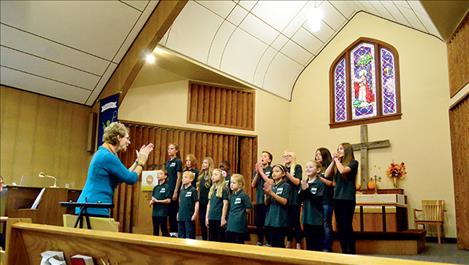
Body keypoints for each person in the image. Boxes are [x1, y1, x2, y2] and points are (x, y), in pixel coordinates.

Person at [76, 122, 154, 216]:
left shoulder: (104, 153)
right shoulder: (107, 156)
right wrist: (141, 163)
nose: (129, 142)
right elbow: (131, 178)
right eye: (127, 138)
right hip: (93, 207)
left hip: (90, 205)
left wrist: (137, 161)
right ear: (118, 137)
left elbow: (124, 175)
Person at [325, 143, 359, 254]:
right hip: (337, 198)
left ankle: (351, 251)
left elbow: (344, 171)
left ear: (347, 150)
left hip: (347, 198)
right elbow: (326, 174)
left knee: (346, 225)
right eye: (338, 148)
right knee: (339, 226)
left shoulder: (353, 163)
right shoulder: (337, 164)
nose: (338, 151)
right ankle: (344, 250)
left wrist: (337, 161)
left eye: (341, 149)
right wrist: (333, 161)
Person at [299, 161, 325, 251]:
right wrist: (303, 190)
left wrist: (306, 190)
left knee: (316, 245)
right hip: (306, 218)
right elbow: (299, 199)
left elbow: (317, 201)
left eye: (311, 167)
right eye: (306, 167)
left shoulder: (320, 183)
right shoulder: (304, 182)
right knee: (309, 244)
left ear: (318, 170)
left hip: (316, 219)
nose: (308, 169)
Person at [264, 164, 290, 248]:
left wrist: (272, 193)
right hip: (271, 219)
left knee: (279, 244)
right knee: (272, 244)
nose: (274, 173)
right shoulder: (272, 186)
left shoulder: (286, 186)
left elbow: (284, 201)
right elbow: (266, 203)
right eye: (273, 171)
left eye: (277, 171)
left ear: (283, 174)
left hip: (280, 219)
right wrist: (267, 195)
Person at [252, 151, 273, 246]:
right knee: (258, 223)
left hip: (268, 200)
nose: (262, 157)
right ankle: (260, 241)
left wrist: (261, 172)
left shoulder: (272, 169)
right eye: (261, 156)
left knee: (267, 222)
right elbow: (253, 185)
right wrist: (257, 173)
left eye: (265, 156)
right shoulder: (257, 171)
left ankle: (268, 241)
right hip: (259, 199)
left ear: (269, 160)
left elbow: (270, 181)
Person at [283, 151, 303, 249]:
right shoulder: (282, 168)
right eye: (285, 156)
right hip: (284, 199)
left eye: (289, 156)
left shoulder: (297, 167)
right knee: (287, 222)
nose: (286, 157)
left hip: (294, 199)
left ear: (293, 157)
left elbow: (297, 181)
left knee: (295, 222)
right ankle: (289, 242)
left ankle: (298, 243)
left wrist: (286, 173)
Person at [315, 147, 334, 252]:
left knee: (326, 223)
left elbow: (331, 184)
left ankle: (327, 246)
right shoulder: (316, 167)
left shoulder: (329, 167)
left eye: (319, 154)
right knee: (318, 223)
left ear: (325, 155)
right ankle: (318, 245)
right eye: (316, 154)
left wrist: (319, 177)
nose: (317, 156)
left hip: (327, 199)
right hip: (317, 199)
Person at [226, 174, 252, 244]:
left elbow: (248, 208)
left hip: (239, 223)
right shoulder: (232, 196)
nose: (231, 184)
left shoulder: (243, 195)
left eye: (234, 183)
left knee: (239, 242)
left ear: (240, 184)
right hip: (231, 222)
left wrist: (241, 214)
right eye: (231, 182)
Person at [206, 168, 229, 242]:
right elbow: (209, 204)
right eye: (212, 175)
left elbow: (225, 204)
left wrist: (223, 218)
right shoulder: (212, 189)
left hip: (218, 218)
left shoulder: (224, 189)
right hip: (211, 217)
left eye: (216, 175)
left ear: (221, 176)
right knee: (211, 239)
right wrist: (207, 217)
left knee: (219, 239)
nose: (213, 176)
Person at [166, 143, 183, 237]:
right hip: (168, 190)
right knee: (169, 212)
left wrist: (176, 191)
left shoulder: (178, 161)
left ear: (176, 150)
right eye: (168, 148)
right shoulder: (168, 162)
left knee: (174, 211)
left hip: (174, 189)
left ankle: (175, 233)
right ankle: (171, 231)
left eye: (172, 148)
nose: (169, 150)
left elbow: (179, 177)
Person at [196, 156, 214, 240]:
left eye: (205, 163)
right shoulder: (201, 175)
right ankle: (203, 239)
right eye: (203, 162)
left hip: (209, 202)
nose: (203, 164)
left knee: (209, 222)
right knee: (202, 222)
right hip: (202, 202)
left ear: (209, 164)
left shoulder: (212, 176)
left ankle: (210, 240)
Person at [177, 171, 199, 239]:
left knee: (189, 236)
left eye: (185, 177)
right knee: (181, 235)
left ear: (191, 179)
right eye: (183, 177)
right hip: (181, 216)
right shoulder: (182, 190)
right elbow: (180, 202)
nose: (183, 179)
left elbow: (196, 202)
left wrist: (195, 214)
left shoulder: (193, 190)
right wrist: (178, 212)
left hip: (189, 216)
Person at [149, 169, 171, 236]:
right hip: (155, 213)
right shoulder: (155, 187)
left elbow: (168, 200)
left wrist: (158, 201)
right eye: (158, 174)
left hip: (162, 213)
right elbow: (153, 198)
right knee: (155, 231)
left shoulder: (167, 186)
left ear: (165, 176)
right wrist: (151, 201)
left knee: (164, 230)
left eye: (160, 174)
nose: (158, 175)